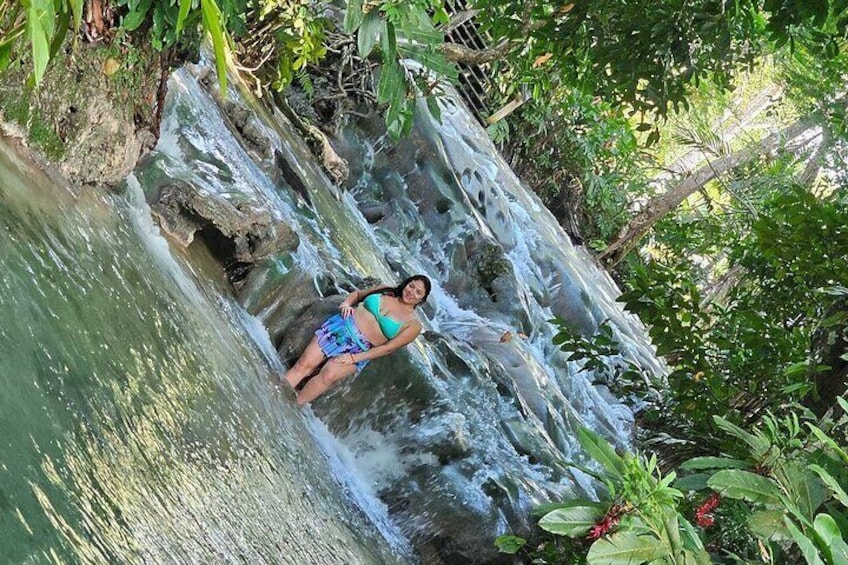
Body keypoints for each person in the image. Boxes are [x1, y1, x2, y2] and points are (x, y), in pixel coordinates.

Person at [284, 275, 432, 405]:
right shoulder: (386, 290)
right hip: (340, 328)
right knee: (304, 364)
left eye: (418, 292)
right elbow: (357, 295)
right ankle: (275, 392)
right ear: (406, 283)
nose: (411, 292)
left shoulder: (413, 324)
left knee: (328, 375)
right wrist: (346, 303)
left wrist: (353, 358)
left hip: (359, 350)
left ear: (422, 299)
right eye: (411, 286)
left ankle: (293, 406)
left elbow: (388, 348)